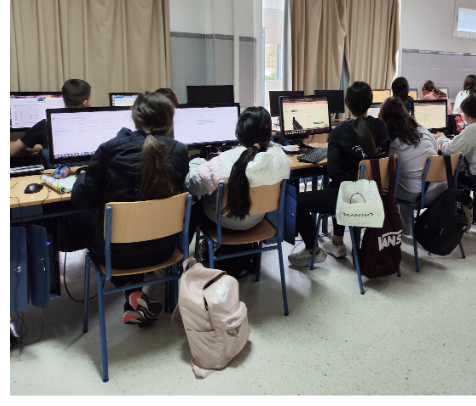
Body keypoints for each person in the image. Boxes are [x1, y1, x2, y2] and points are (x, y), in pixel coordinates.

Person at [71, 92, 189, 326]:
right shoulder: (180, 150)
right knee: (136, 229)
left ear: (135, 119)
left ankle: (131, 291)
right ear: (170, 120)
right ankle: (134, 298)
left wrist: (83, 175)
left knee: (88, 217)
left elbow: (81, 198)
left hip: (116, 256)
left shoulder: (109, 148)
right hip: (165, 249)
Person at [288, 82, 390, 266]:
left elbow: (334, 172)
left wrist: (358, 181)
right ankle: (337, 241)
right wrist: (369, 183)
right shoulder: (382, 127)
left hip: (354, 197)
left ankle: (312, 251)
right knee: (336, 186)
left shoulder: (340, 132)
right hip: (378, 195)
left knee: (296, 200)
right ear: (370, 102)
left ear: (347, 103)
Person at [185, 106, 290, 231]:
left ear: (239, 133)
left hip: (222, 221)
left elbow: (194, 188)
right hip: (257, 219)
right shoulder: (280, 157)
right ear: (269, 133)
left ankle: (182, 244)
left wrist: (196, 162)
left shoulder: (224, 161)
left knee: (193, 210)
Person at [379, 97, 445, 234]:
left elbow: (384, 167)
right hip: (442, 189)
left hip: (418, 195)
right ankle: (407, 228)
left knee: (388, 185)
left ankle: (400, 230)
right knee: (407, 177)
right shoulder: (422, 129)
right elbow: (435, 152)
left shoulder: (390, 142)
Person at [10, 79, 91, 157]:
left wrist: (37, 148)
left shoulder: (45, 125)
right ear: (85, 103)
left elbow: (11, 151)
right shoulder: (93, 124)